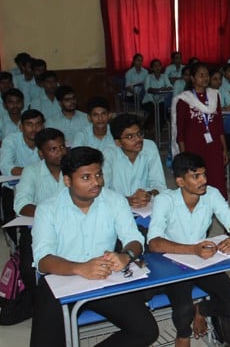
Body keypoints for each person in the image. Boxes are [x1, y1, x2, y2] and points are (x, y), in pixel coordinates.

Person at [30, 146, 159, 347]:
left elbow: (134, 239)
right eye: (86, 177)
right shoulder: (47, 210)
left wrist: (126, 256)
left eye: (98, 174)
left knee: (146, 331)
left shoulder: (114, 200)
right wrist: (79, 268)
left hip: (104, 277)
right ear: (67, 181)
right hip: (62, 279)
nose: (96, 182)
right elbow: (43, 260)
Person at [148, 152, 230, 347]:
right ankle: (183, 334)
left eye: (204, 174)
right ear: (180, 181)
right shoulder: (165, 200)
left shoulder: (212, 194)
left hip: (203, 259)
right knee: (183, 310)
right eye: (196, 176)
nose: (204, 180)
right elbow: (154, 243)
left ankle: (201, 309)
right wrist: (192, 249)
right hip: (173, 262)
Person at [174, 62, 229, 199]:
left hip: (214, 146)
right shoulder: (184, 100)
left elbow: (219, 125)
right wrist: (184, 156)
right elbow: (180, 133)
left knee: (217, 180)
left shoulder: (214, 96)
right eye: (201, 75)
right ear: (192, 78)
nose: (205, 78)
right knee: (197, 182)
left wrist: (224, 149)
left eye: (207, 75)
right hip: (194, 147)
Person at [103, 113, 166, 208]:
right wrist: (127, 200)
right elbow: (103, 191)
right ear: (118, 142)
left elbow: (160, 185)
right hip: (117, 207)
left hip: (146, 207)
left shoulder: (150, 147)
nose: (138, 139)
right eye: (130, 137)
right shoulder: (108, 154)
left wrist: (148, 195)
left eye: (139, 133)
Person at [16, 128, 68, 218]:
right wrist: (51, 214)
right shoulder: (31, 171)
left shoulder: (76, 169)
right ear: (41, 153)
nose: (60, 152)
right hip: (43, 222)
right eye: (53, 149)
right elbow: (22, 205)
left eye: (62, 147)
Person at [0, 109, 45, 176]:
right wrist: (31, 172)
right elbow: (5, 167)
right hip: (15, 184)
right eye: (29, 124)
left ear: (43, 127)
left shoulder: (49, 141)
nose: (34, 128)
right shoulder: (11, 141)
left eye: (38, 124)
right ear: (21, 127)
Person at [141, 58, 173, 137]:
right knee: (155, 111)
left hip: (160, 100)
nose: (157, 67)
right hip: (148, 101)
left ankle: (157, 132)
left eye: (159, 65)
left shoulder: (164, 76)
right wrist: (159, 90)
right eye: (155, 66)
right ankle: (146, 127)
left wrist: (164, 89)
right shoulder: (148, 77)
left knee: (162, 113)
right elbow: (148, 89)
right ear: (152, 68)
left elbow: (170, 87)